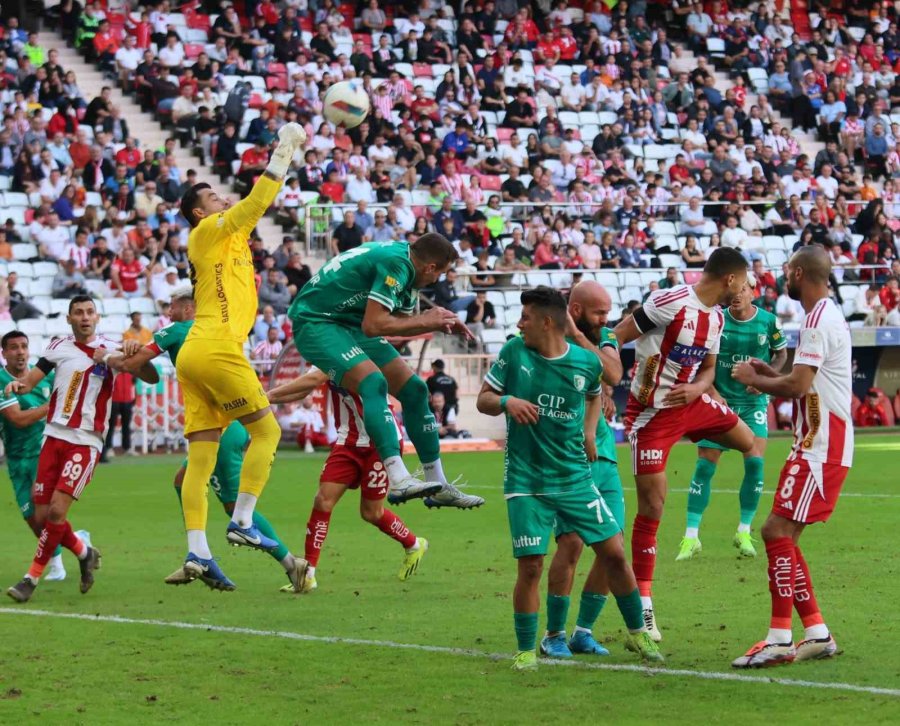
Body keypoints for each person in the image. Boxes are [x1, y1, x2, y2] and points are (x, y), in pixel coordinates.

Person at [477, 287, 662, 670]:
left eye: (525, 317)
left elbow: (595, 394)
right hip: (527, 482)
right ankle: (529, 648)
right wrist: (507, 402)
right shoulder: (514, 352)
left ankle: (637, 632)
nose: (518, 322)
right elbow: (484, 399)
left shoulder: (583, 361)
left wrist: (590, 432)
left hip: (576, 479)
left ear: (546, 321)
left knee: (614, 551)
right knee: (531, 566)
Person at [172, 121, 309, 589]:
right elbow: (255, 203)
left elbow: (244, 213)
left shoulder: (226, 240)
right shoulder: (208, 232)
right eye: (212, 198)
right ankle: (244, 520)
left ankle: (197, 551)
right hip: (215, 346)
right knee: (267, 431)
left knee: (200, 461)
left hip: (195, 353)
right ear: (197, 212)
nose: (222, 201)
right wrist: (283, 153)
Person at [102, 287, 307, 592]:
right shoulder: (214, 332)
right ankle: (203, 556)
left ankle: (291, 563)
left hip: (220, 429)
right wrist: (134, 352)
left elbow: (131, 368)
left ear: (188, 309)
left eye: (172, 307)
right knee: (182, 480)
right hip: (231, 422)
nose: (167, 313)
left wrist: (107, 354)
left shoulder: (176, 328)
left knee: (232, 507)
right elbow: (151, 376)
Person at [613, 248, 755, 642]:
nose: (745, 289)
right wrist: (605, 384)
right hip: (652, 415)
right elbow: (617, 335)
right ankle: (643, 602)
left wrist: (697, 388)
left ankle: (734, 524)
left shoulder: (717, 318)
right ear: (729, 279)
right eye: (743, 282)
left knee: (748, 442)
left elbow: (708, 369)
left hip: (690, 405)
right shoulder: (670, 301)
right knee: (653, 507)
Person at [287, 237, 484, 510]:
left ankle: (437, 484)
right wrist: (427, 319)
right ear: (430, 266)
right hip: (317, 322)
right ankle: (399, 477)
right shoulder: (397, 263)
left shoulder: (410, 272)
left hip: (348, 324)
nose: (439, 279)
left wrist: (441, 321)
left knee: (415, 390)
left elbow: (397, 324)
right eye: (440, 272)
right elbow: (374, 324)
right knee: (372, 381)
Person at [731, 246, 854, 667]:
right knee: (782, 535)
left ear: (799, 273)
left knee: (775, 530)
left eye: (787, 271)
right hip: (816, 444)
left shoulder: (818, 318)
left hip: (821, 446)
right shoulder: (825, 315)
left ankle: (780, 638)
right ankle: (816, 632)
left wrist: (755, 380)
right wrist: (768, 375)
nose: (784, 276)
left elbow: (800, 387)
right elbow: (806, 380)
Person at [5, 296, 158, 602]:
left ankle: (30, 579)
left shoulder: (111, 348)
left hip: (85, 441)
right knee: (43, 514)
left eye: (90, 312)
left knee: (58, 511)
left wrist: (136, 355)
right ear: (69, 318)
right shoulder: (58, 346)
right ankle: (84, 552)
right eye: (79, 312)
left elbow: (151, 377)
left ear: (97, 317)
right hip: (52, 437)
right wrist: (15, 386)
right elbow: (32, 380)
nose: (85, 317)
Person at [267, 368, 428, 593]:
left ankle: (413, 544)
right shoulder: (328, 351)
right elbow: (307, 384)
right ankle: (307, 574)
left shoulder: (346, 353)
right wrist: (270, 398)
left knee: (371, 513)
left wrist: (266, 397)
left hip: (380, 441)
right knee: (322, 501)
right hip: (347, 442)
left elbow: (313, 379)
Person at [542, 280, 628, 657]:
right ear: (574, 311)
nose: (606, 319)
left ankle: (583, 631)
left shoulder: (604, 335)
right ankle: (554, 635)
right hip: (567, 455)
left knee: (614, 549)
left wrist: (583, 337)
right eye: (598, 312)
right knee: (572, 543)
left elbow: (613, 374)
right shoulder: (547, 336)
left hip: (604, 455)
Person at [677, 275, 789, 561]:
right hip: (719, 402)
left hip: (752, 404)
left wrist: (765, 378)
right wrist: (712, 391)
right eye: (734, 290)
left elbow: (781, 354)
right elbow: (702, 361)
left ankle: (743, 530)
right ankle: (691, 537)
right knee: (705, 465)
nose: (737, 295)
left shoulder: (768, 321)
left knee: (755, 462)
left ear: (753, 292)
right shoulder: (716, 320)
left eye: (743, 289)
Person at [0, 331, 67, 583]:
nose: (20, 352)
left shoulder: (45, 377)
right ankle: (78, 540)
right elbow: (17, 420)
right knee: (31, 518)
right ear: (4, 353)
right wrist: (50, 406)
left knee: (44, 513)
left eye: (24, 346)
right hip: (17, 459)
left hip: (44, 453)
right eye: (13, 347)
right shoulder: (1, 381)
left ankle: (57, 564)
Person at [101, 370, 136, 461]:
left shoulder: (131, 369)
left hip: (127, 399)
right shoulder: (113, 366)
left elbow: (134, 383)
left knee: (126, 426)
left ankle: (127, 448)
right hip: (113, 399)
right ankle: (108, 448)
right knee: (110, 425)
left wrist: (133, 397)